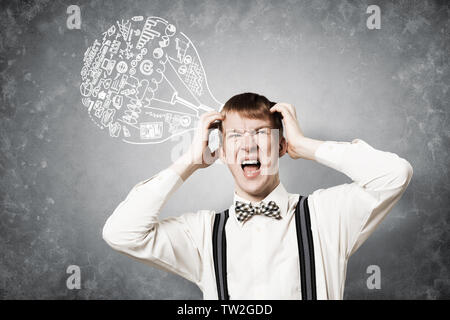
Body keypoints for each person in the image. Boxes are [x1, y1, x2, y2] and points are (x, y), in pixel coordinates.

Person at [102, 92, 413, 299]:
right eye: (235, 136)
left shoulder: (326, 216)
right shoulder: (201, 234)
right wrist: (189, 162)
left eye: (261, 133)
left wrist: (305, 145)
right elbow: (121, 233)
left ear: (280, 146)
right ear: (221, 152)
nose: (248, 146)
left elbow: (395, 175)